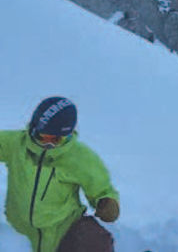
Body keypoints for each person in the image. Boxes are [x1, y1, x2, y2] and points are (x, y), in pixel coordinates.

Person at [0, 97, 120, 252]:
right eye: (43, 137)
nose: (49, 144)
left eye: (57, 139)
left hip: (63, 230)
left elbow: (101, 188)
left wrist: (107, 202)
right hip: (21, 231)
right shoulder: (16, 145)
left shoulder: (79, 157)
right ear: (33, 129)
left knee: (94, 238)